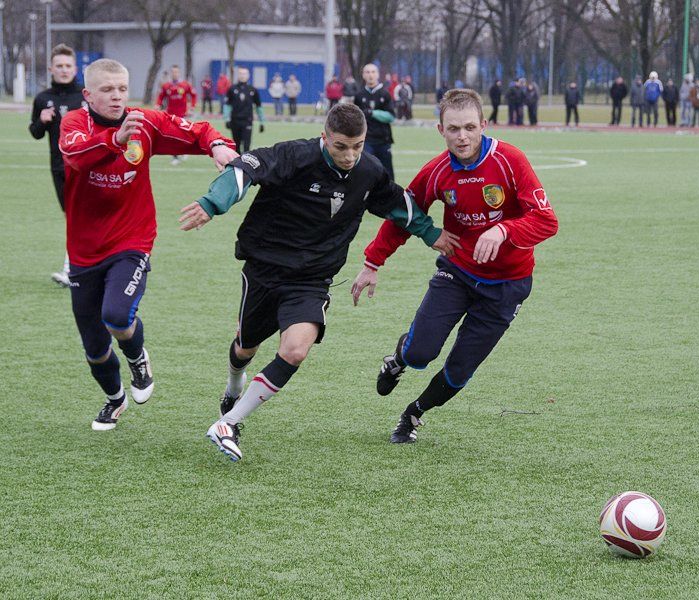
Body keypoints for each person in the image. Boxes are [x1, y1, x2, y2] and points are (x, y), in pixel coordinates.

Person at [177, 103, 460, 461]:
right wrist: (212, 202)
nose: (350, 155)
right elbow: (244, 169)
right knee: (245, 347)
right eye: (341, 146)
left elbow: (399, 204)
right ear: (325, 137)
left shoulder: (368, 171)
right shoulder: (293, 156)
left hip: (312, 279)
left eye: (357, 146)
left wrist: (431, 232)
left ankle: (228, 423)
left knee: (295, 349)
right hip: (265, 268)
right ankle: (234, 385)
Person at [350, 89, 558, 444]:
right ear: (440, 130)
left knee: (460, 371)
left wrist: (505, 228)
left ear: (484, 126)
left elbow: (546, 221)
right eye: (453, 129)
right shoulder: (436, 171)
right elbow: (404, 214)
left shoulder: (510, 160)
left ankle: (414, 413)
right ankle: (398, 359)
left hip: (508, 285)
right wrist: (373, 261)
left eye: (469, 127)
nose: (462, 136)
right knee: (420, 353)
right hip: (457, 273)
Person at [58, 58, 236, 431]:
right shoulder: (75, 124)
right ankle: (114, 399)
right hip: (84, 249)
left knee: (117, 315)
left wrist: (217, 145)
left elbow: (196, 130)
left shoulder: (144, 122)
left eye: (122, 88)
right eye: (107, 90)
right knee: (93, 345)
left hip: (131, 239)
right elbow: (75, 157)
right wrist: (115, 139)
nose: (117, 96)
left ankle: (137, 357)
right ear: (88, 95)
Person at [29, 43, 85, 287]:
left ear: (75, 68)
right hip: (59, 167)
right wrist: (41, 121)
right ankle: (82, 267)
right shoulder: (43, 99)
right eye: (59, 66)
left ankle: (72, 269)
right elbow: (36, 133)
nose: (64, 70)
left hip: (86, 166)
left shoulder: (86, 95)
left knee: (78, 218)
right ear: (51, 68)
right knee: (72, 217)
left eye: (68, 66)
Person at [354, 63, 396, 179]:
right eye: (367, 72)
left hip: (383, 139)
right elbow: (357, 117)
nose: (370, 75)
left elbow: (391, 116)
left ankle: (390, 196)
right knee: (366, 169)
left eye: (373, 72)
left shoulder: (385, 94)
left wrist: (373, 113)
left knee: (387, 172)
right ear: (363, 75)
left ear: (377, 74)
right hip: (366, 139)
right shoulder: (359, 95)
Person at [156, 65, 197, 166]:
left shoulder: (185, 85)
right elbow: (161, 96)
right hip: (170, 115)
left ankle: (185, 151)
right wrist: (158, 104)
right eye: (173, 72)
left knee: (184, 135)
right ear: (171, 73)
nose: (175, 74)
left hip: (183, 114)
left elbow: (193, 95)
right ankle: (175, 157)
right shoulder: (166, 86)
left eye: (176, 72)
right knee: (172, 136)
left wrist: (192, 106)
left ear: (179, 73)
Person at [224, 66, 265, 154]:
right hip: (235, 121)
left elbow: (258, 106)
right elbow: (227, 105)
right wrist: (226, 119)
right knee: (236, 146)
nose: (243, 75)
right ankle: (237, 166)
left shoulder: (253, 90)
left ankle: (246, 167)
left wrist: (262, 122)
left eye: (245, 74)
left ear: (248, 75)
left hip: (247, 121)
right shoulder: (232, 89)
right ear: (238, 75)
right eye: (241, 74)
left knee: (246, 146)